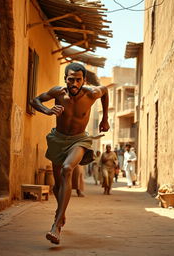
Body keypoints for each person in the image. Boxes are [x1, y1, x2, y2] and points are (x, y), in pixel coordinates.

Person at [30, 62, 109, 244]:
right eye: (71, 79)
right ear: (65, 79)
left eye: (78, 80)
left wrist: (105, 118)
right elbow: (34, 100)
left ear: (84, 80)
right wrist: (48, 110)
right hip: (58, 139)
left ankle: (56, 225)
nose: (74, 83)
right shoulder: (58, 92)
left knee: (67, 169)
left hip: (79, 140)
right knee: (57, 185)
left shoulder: (91, 93)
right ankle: (61, 212)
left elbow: (105, 91)